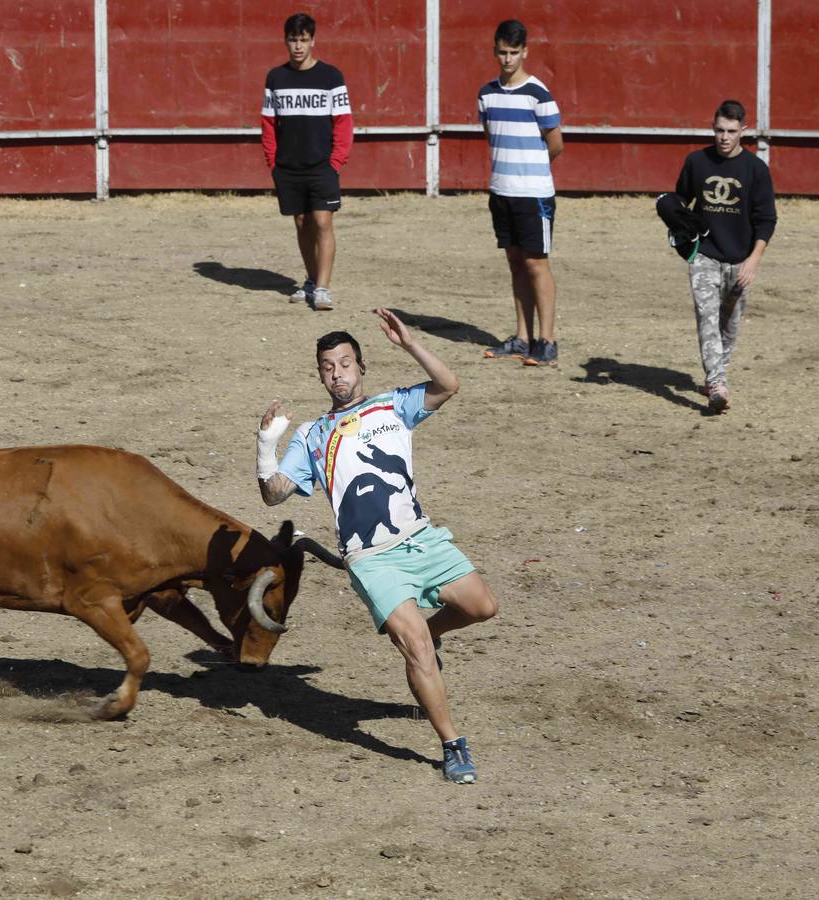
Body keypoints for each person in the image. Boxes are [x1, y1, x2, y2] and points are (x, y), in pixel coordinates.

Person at [255, 310, 499, 783]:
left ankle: (432, 631)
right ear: (320, 374)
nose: (337, 373)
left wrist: (410, 343)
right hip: (370, 557)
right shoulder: (311, 435)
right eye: (327, 366)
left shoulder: (394, 406)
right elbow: (273, 494)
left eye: (345, 363)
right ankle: (452, 745)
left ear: (361, 366)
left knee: (483, 606)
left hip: (420, 537)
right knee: (416, 649)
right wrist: (265, 447)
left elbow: (449, 384)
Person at [672, 100, 777, 412]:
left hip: (740, 258)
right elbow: (679, 202)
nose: (724, 137)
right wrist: (676, 224)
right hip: (704, 254)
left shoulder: (756, 170)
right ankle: (717, 383)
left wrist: (753, 259)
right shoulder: (696, 162)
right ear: (713, 127)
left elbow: (766, 220)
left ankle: (716, 373)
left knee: (729, 325)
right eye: (719, 130)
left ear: (743, 131)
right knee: (706, 317)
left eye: (732, 131)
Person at [478, 19, 563, 367]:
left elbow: (555, 145)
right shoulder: (487, 94)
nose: (508, 59)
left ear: (525, 52)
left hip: (533, 194)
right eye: (502, 52)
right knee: (515, 263)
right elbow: (491, 136)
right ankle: (522, 338)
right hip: (501, 191)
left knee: (535, 263)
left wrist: (530, 172)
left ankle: (547, 341)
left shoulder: (538, 94)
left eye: (514, 52)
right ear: (495, 50)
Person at [261, 13, 352, 312]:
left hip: (322, 165)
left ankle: (323, 289)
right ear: (285, 41)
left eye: (303, 40)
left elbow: (343, 123)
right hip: (288, 167)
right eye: (292, 40)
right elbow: (268, 123)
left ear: (313, 41)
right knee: (301, 223)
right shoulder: (276, 78)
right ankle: (311, 281)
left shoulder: (331, 77)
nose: (298, 46)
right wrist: (273, 162)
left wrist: (336, 162)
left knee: (323, 221)